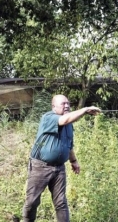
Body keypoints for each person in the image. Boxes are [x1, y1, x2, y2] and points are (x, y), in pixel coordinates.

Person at [22, 94, 101, 222]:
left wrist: (74, 161)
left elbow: (68, 145)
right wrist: (85, 109)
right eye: (63, 103)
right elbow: (64, 120)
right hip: (40, 166)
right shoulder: (48, 117)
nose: (67, 105)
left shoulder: (69, 124)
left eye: (68, 103)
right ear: (53, 107)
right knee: (32, 202)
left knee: (61, 203)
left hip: (59, 168)